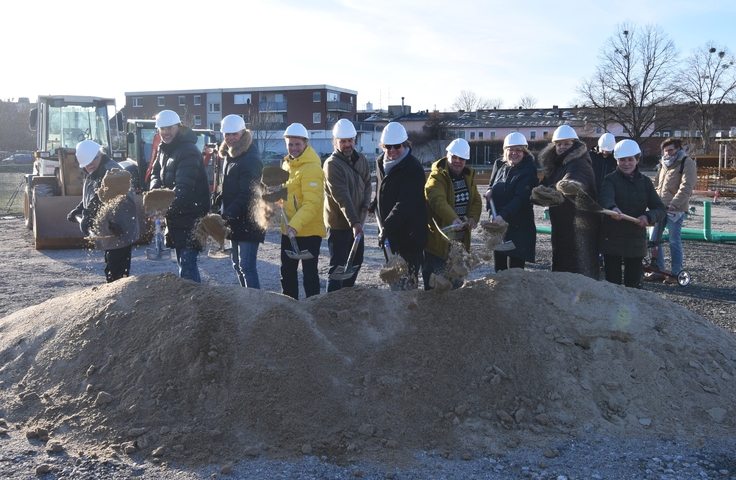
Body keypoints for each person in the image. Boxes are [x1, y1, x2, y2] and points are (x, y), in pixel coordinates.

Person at [149, 110, 210, 282]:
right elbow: (155, 175)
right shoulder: (164, 149)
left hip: (192, 217)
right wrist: (156, 200)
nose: (165, 132)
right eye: (162, 129)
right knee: (184, 265)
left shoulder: (188, 151)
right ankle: (191, 304)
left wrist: (163, 209)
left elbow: (183, 189)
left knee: (188, 267)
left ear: (178, 127)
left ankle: (195, 305)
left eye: (169, 128)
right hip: (177, 216)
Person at [67, 140, 140, 283]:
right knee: (111, 265)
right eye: (86, 164)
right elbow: (92, 195)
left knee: (117, 271)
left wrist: (88, 216)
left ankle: (120, 299)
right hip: (108, 227)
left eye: (93, 159)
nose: (90, 165)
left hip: (119, 227)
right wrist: (80, 208)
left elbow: (102, 198)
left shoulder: (112, 172)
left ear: (100, 153)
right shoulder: (94, 171)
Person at [598, 140, 666, 288]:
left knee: (633, 286)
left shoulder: (645, 182)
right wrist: (612, 209)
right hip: (612, 238)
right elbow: (605, 198)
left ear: (637, 159)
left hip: (636, 239)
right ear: (616, 160)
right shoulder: (610, 179)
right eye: (622, 160)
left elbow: (660, 208)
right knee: (612, 285)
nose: (626, 163)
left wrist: (648, 216)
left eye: (630, 159)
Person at [537, 124, 600, 279]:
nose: (562, 147)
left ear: (575, 144)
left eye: (567, 144)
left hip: (580, 224)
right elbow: (544, 186)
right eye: (559, 144)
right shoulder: (556, 165)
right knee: (563, 265)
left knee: (580, 267)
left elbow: (575, 179)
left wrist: (565, 186)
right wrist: (536, 192)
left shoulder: (580, 162)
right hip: (563, 223)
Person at [373, 122, 428, 288]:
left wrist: (386, 228)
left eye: (397, 146)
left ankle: (411, 312)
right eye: (388, 146)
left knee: (408, 285)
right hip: (391, 235)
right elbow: (382, 190)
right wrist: (375, 202)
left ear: (405, 144)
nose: (392, 151)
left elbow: (404, 204)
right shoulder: (380, 162)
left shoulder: (414, 169)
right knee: (395, 281)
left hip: (410, 237)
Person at [423, 138, 482, 290]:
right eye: (454, 157)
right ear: (447, 155)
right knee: (435, 289)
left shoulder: (468, 177)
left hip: (458, 245)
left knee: (456, 287)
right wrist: (453, 218)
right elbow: (438, 201)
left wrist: (472, 219)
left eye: (461, 158)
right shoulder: (436, 177)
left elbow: (476, 201)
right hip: (438, 244)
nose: (457, 161)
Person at [323, 119, 372, 292]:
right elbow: (341, 195)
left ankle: (347, 296)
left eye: (350, 140)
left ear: (354, 139)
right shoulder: (331, 164)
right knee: (338, 267)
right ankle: (332, 303)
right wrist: (354, 222)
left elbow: (368, 184)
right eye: (343, 141)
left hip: (356, 223)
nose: (347, 144)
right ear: (335, 141)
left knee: (356, 262)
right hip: (339, 225)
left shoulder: (362, 160)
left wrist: (366, 202)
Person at [217, 114, 265, 288]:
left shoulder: (250, 158)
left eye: (234, 134)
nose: (230, 138)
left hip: (250, 221)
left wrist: (226, 215)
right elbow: (231, 188)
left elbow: (248, 194)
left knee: (247, 267)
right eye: (226, 134)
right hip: (235, 219)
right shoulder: (230, 156)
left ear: (243, 132)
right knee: (237, 265)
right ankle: (246, 303)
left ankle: (256, 305)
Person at [280, 123, 326, 299]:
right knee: (287, 273)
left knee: (309, 275)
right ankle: (290, 308)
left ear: (306, 143)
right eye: (290, 144)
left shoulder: (312, 168)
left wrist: (294, 225)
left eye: (297, 144)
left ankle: (313, 309)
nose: (293, 148)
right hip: (289, 229)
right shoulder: (287, 165)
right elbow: (291, 193)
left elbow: (312, 204)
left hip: (308, 231)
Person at [646, 138, 697, 284]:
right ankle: (658, 270)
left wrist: (675, 203)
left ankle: (676, 272)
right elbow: (657, 184)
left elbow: (687, 186)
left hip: (676, 208)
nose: (667, 153)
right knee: (653, 239)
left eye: (670, 150)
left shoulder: (686, 163)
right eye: (665, 151)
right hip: (660, 207)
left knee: (674, 240)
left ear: (678, 149)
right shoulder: (663, 164)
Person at [485, 132, 538, 271]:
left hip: (518, 229)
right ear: (505, 151)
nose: (514, 153)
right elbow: (493, 184)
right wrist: (490, 191)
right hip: (501, 228)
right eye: (510, 150)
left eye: (518, 150)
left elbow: (520, 199)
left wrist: (503, 215)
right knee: (500, 271)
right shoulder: (501, 166)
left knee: (514, 274)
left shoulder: (527, 172)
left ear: (524, 152)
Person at [590, 133, 618, 201]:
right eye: (603, 150)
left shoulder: (616, 159)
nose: (605, 152)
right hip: (591, 194)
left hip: (610, 196)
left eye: (608, 151)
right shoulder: (590, 157)